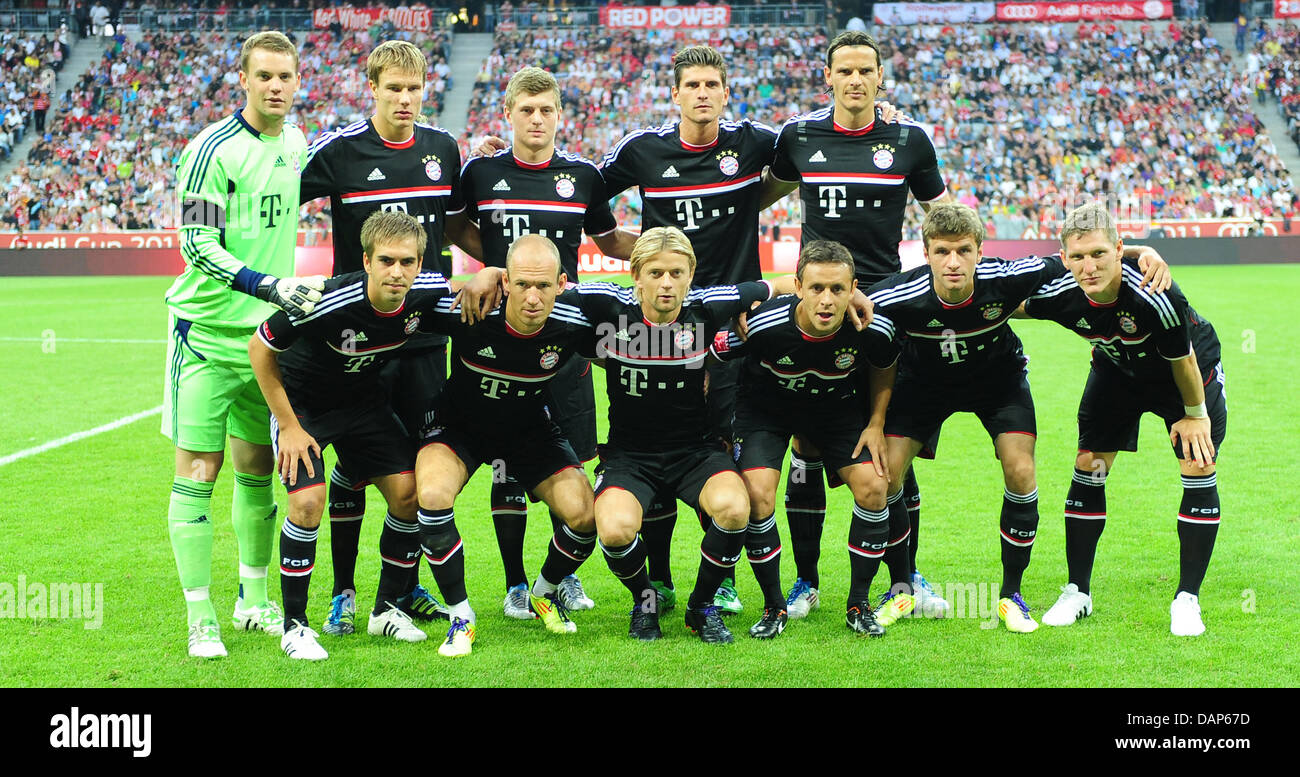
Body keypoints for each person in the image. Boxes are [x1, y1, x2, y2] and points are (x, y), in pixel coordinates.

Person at [865, 203, 1169, 634]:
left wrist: (1138, 252)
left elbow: (1079, 255)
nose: (953, 262)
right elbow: (838, 295)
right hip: (923, 386)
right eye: (942, 251)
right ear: (926, 252)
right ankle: (902, 588)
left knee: (1021, 470)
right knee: (886, 476)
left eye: (964, 251)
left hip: (998, 382)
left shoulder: (1006, 276)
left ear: (980, 252)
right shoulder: (897, 293)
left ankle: (1011, 595)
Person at [762, 30, 951, 621]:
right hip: (817, 301)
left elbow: (941, 216)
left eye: (865, 71)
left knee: (894, 451)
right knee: (806, 444)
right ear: (829, 77)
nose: (855, 80)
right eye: (844, 71)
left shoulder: (910, 140)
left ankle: (905, 578)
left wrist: (941, 285)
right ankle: (806, 581)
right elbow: (758, 194)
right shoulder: (797, 136)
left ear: (879, 78)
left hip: (886, 304)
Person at [300, 39, 482, 637]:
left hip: (426, 336)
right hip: (358, 336)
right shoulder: (339, 152)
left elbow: (455, 223)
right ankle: (343, 592)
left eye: (414, 88)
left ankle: (398, 593)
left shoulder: (442, 148)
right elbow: (274, 204)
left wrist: (500, 266)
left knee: (411, 470)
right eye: (393, 88)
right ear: (371, 86)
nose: (404, 99)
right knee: (354, 469)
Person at [163, 31, 326, 659]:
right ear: (244, 78)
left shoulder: (294, 141)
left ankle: (253, 600)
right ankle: (200, 616)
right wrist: (269, 283)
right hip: (204, 337)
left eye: (286, 76)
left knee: (259, 472)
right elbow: (196, 244)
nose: (277, 86)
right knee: (198, 474)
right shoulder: (210, 148)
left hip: (264, 342)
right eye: (265, 76)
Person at [564, 227, 801, 644]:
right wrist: (493, 274)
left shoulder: (707, 306)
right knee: (616, 530)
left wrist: (835, 295)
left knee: (733, 509)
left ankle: (701, 606)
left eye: (677, 272)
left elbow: (783, 283)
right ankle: (646, 603)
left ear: (691, 274)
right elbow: (545, 288)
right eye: (655, 273)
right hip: (629, 456)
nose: (667, 283)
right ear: (635, 275)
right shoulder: (605, 304)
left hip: (696, 451)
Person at [458, 66, 636, 620]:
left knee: (575, 461)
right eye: (526, 110)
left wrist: (666, 249)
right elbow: (451, 225)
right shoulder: (481, 171)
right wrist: (490, 264)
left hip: (565, 340)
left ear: (560, 115)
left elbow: (608, 239)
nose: (537, 120)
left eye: (547, 110)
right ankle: (514, 585)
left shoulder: (582, 176)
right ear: (508, 113)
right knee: (508, 465)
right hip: (501, 338)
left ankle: (559, 580)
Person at [249, 211, 458, 660]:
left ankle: (384, 610)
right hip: (304, 408)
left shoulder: (425, 295)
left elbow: (462, 296)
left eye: (407, 262)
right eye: (386, 261)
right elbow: (260, 345)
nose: (397, 272)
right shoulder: (324, 299)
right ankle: (295, 626)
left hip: (363, 405)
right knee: (306, 503)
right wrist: (288, 425)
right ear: (366, 261)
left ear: (421, 265)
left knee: (407, 495)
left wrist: (491, 275)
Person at [1022, 203, 1224, 637]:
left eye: (1098, 254)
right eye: (1077, 257)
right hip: (1117, 371)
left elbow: (1184, 359)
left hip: (1184, 375)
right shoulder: (1059, 291)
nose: (1088, 267)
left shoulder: (1155, 293)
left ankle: (1187, 598)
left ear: (1117, 249)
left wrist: (1194, 415)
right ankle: (1078, 590)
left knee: (1198, 463)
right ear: (1064, 257)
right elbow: (1003, 299)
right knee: (1089, 464)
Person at [413, 235, 602, 658]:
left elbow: (641, 318)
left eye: (543, 286)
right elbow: (403, 298)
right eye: (521, 285)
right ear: (505, 283)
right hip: (459, 427)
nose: (532, 298)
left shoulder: (575, 320)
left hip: (529, 429)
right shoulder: (471, 308)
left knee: (587, 515)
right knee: (432, 494)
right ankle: (461, 617)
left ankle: (544, 592)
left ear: (562, 283)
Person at [711, 240, 897, 638]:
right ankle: (774, 607)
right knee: (758, 495)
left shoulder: (869, 325)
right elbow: (713, 359)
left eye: (837, 289)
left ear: (854, 289)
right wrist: (714, 429)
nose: (826, 300)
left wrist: (876, 422)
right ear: (797, 286)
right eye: (816, 288)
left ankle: (858, 604)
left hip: (835, 412)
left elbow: (885, 365)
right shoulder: (761, 323)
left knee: (874, 488)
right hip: (766, 412)